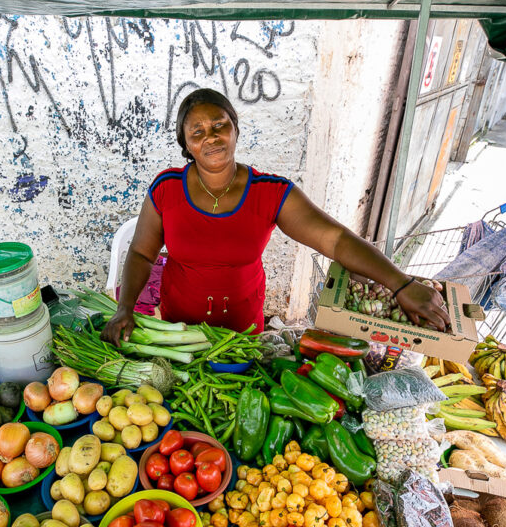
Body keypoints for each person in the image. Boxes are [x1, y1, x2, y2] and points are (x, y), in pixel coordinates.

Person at [101, 88, 450, 344]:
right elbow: (141, 253)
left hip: (244, 335)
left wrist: (401, 283)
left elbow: (336, 240)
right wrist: (124, 308)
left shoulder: (270, 192)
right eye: (197, 132)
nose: (211, 137)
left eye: (220, 125)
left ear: (235, 128)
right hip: (178, 333)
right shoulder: (167, 188)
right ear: (186, 144)